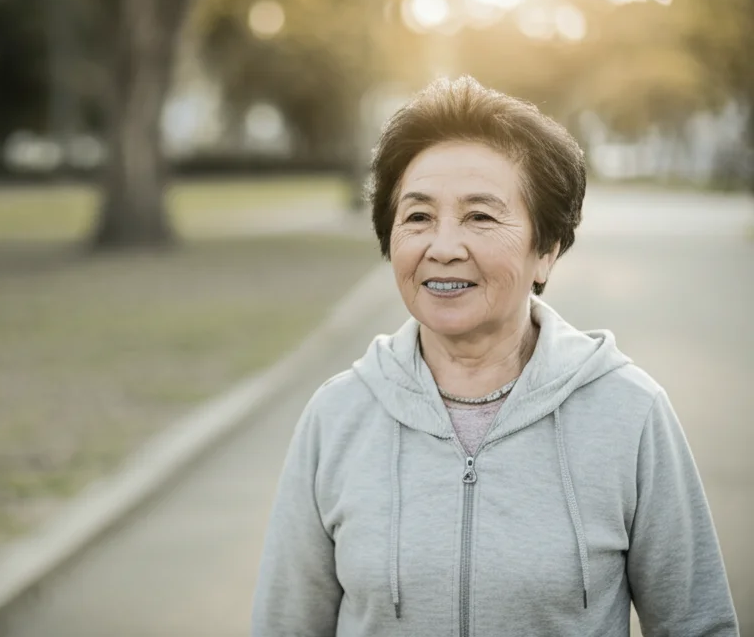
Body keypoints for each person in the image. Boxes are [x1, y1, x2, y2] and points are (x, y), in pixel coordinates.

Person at [250, 76, 739, 636]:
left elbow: (697, 624)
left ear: (547, 252)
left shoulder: (630, 413)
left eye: (480, 216)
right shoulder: (336, 416)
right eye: (417, 217)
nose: (443, 247)